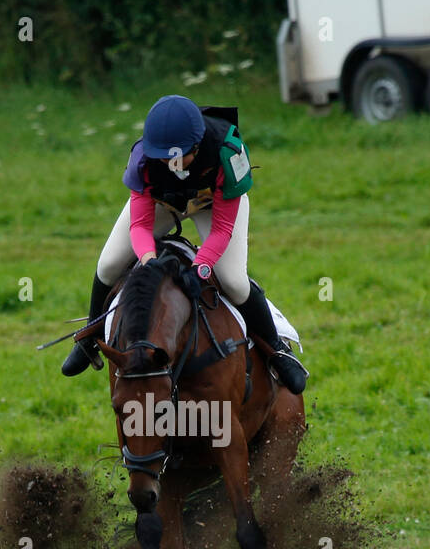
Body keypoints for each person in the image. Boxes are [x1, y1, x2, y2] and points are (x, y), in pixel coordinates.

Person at [62, 94, 308, 394]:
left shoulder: (228, 153)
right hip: (164, 203)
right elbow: (140, 225)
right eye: (162, 156)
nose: (169, 163)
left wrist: (200, 268)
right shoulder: (143, 157)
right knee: (109, 264)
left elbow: (221, 230)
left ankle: (278, 350)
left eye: (176, 156)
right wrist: (148, 260)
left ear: (197, 145)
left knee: (233, 281)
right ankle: (89, 338)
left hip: (212, 205)